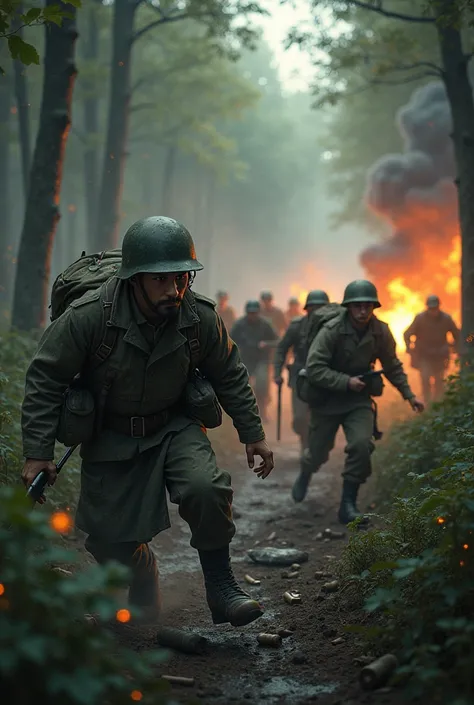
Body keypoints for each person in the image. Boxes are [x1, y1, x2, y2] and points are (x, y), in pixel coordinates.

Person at [21, 216, 274, 628]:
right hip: (110, 433)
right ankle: (142, 573)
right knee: (108, 542)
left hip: (175, 425)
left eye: (180, 278)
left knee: (206, 488)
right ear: (134, 279)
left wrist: (253, 435)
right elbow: (45, 377)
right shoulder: (89, 317)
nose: (172, 290)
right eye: (159, 280)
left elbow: (229, 373)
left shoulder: (199, 317)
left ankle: (222, 586)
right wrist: (37, 453)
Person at [291, 279, 424, 523]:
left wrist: (410, 395)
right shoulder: (331, 330)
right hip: (327, 399)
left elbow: (392, 366)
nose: (363, 311)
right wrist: (345, 381)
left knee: (362, 446)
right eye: (357, 306)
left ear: (374, 307)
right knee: (318, 453)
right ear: (348, 307)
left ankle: (348, 504)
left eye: (368, 306)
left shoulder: (380, 331)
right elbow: (314, 368)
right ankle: (306, 472)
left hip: (358, 400)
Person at [274, 290, 330, 455]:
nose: (318, 311)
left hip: (326, 377)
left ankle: (314, 445)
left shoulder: (334, 327)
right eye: (315, 307)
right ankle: (305, 442)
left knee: (321, 416)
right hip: (301, 378)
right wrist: (277, 372)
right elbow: (282, 349)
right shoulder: (297, 326)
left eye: (322, 307)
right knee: (300, 417)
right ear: (307, 309)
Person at [404, 294, 460, 403]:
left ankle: (438, 404)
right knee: (425, 379)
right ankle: (427, 404)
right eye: (431, 308)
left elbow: (457, 334)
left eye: (435, 308)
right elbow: (407, 334)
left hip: (440, 355)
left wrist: (454, 346)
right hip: (424, 355)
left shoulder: (446, 319)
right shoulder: (420, 319)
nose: (433, 311)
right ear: (427, 308)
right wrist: (409, 348)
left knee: (439, 380)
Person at [230, 301, 279, 422]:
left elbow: (277, 341)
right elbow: (229, 340)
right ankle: (247, 413)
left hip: (261, 359)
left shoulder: (265, 324)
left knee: (262, 385)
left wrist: (266, 344)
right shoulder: (239, 324)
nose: (252, 315)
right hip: (245, 359)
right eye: (250, 313)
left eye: (254, 313)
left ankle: (263, 411)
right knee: (244, 387)